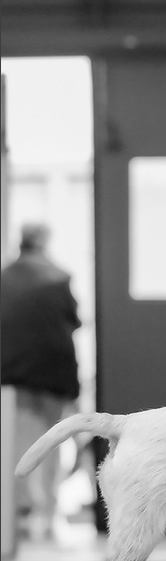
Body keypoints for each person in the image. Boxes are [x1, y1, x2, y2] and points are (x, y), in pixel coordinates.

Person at [1, 222, 81, 541]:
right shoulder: (58, 277)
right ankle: (47, 512)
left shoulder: (4, 278)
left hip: (14, 371)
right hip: (54, 370)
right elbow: (74, 320)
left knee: (20, 438)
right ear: (45, 243)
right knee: (52, 439)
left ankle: (18, 512)